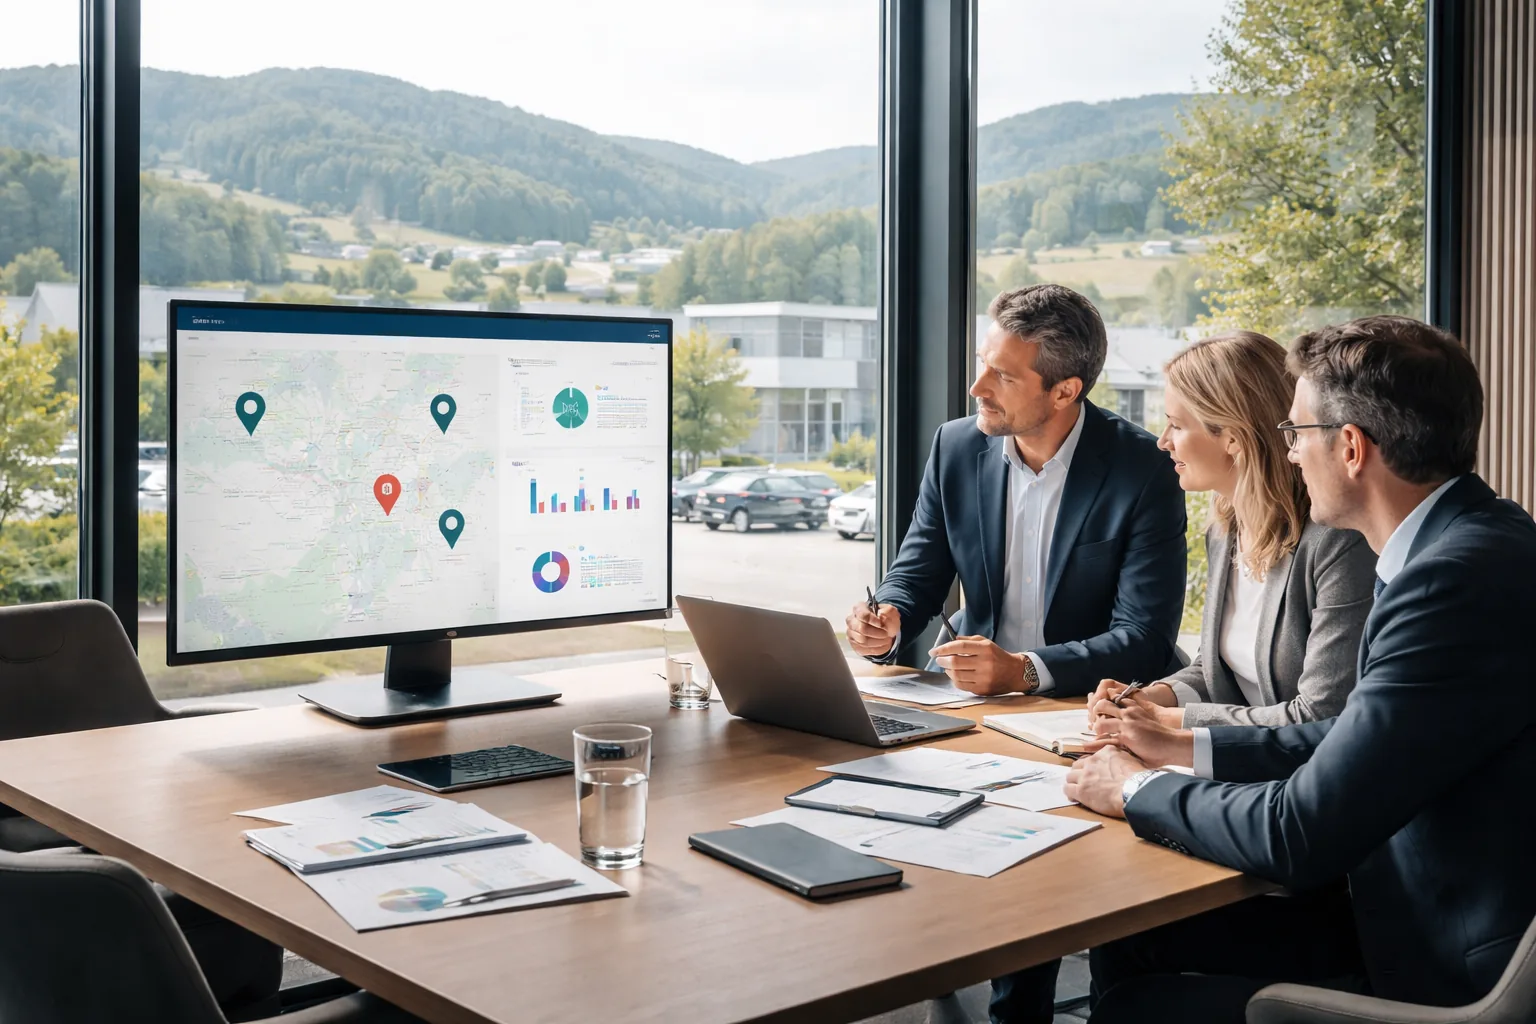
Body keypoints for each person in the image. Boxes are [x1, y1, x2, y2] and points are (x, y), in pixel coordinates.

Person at [1066, 315, 1536, 1023]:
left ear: (1350, 447)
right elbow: (1353, 736)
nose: (1287, 452)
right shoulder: (1474, 539)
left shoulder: (1447, 583)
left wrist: (1136, 789)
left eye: (1296, 432)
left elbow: (1298, 832)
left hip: (1440, 959)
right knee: (1132, 936)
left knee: (1138, 1006)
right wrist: (1179, 746)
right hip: (1404, 903)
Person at [845, 283, 1186, 1024]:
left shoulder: (1141, 467)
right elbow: (918, 570)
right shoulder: (957, 445)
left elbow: (1146, 636)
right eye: (982, 364)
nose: (977, 388)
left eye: (1001, 375)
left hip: (1080, 715)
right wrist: (889, 619)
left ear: (1065, 390)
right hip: (969, 706)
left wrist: (1026, 670)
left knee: (1029, 883)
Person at [1084, 331, 1376, 746]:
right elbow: (1215, 671)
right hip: (1238, 761)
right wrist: (1149, 697)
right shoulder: (1225, 528)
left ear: (1234, 437)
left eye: (1176, 425)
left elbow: (1320, 714)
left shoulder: (1337, 542)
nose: (1163, 442)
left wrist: (1168, 721)